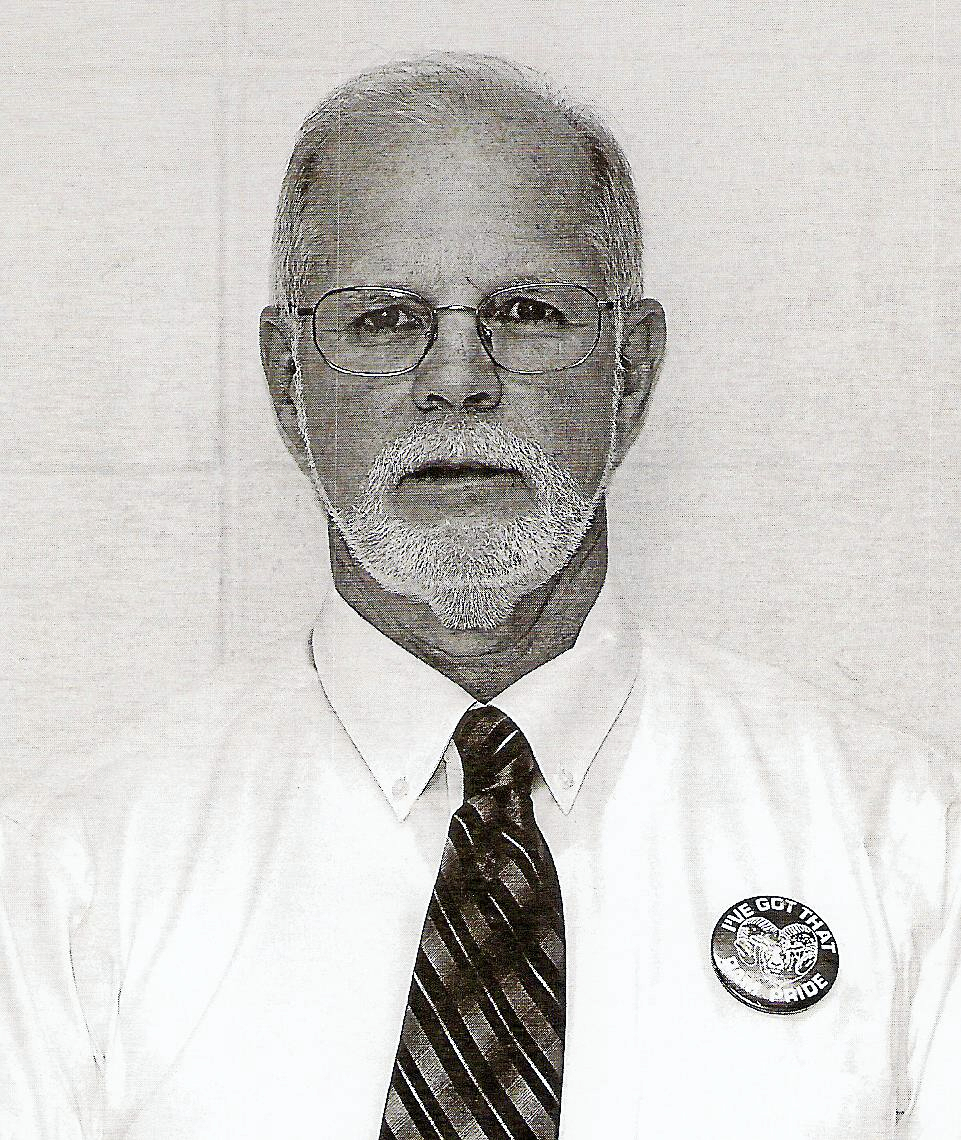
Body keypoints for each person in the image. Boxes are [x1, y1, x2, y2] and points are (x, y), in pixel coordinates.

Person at [1, 52, 958, 1140]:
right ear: (285, 380)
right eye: (382, 319)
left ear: (632, 370)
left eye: (526, 310)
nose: (457, 378)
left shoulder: (904, 844)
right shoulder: (69, 875)